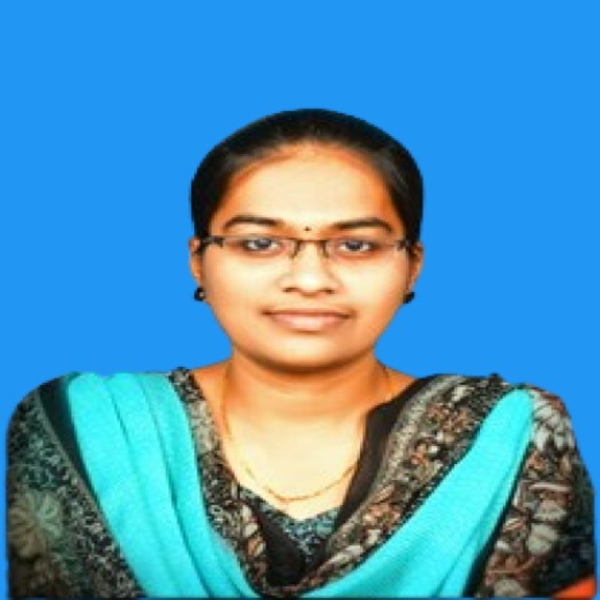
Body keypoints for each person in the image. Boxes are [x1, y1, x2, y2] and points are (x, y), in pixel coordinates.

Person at [7, 109, 595, 598]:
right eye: (259, 243)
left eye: (355, 245)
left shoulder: (512, 438)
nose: (310, 279)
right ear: (199, 261)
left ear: (412, 265)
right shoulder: (83, 431)